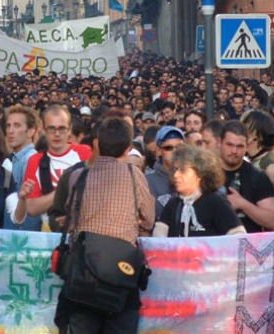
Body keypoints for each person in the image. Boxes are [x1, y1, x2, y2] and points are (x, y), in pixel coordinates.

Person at [53, 117, 155, 334]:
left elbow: (71, 216)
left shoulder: (78, 176)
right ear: (128, 150)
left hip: (83, 277)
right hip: (121, 275)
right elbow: (148, 219)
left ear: (96, 145)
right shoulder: (134, 175)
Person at [154, 145, 245, 237]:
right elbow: (158, 241)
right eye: (175, 170)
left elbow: (238, 236)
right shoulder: (172, 204)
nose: (176, 175)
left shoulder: (216, 202)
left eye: (183, 170)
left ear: (200, 173)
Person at [25, 105, 91, 231]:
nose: (57, 134)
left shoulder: (85, 153)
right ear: (43, 129)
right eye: (51, 129)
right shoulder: (35, 161)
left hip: (81, 229)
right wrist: (63, 191)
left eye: (62, 129)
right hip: (49, 230)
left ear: (70, 129)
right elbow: (32, 208)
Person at [218, 121, 274, 232]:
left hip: (247, 246)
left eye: (240, 146)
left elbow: (273, 221)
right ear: (219, 143)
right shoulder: (205, 175)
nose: (234, 151)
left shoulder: (257, 177)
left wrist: (243, 204)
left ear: (247, 146)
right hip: (211, 246)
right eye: (229, 145)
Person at [3, 104, 41, 230]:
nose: (10, 131)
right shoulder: (14, 160)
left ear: (31, 131)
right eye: (8, 126)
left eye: (17, 125)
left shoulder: (31, 160)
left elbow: (31, 213)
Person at [145, 126, 184, 216]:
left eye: (179, 147)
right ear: (159, 151)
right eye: (168, 148)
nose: (175, 151)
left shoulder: (192, 178)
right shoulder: (147, 181)